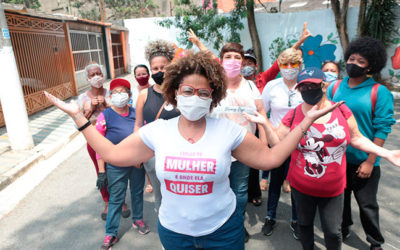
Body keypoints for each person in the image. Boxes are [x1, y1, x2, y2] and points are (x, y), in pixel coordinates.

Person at [45, 50, 344, 250]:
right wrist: (79, 118)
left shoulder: (228, 130)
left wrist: (304, 123)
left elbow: (272, 157)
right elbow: (111, 154)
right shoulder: (157, 131)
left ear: (213, 96)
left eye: (204, 92)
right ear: (175, 92)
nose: (195, 97)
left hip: (224, 232)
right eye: (188, 91)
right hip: (174, 233)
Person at [246, 67, 400, 250]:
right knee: (304, 226)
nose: (308, 90)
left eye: (313, 85)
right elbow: (278, 144)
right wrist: (265, 124)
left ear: (324, 85)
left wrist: (386, 153)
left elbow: (357, 138)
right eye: (303, 87)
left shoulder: (342, 110)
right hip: (301, 186)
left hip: (333, 189)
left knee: (333, 232)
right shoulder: (294, 114)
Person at [327, 37, 396, 250]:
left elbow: (382, 128)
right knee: (341, 200)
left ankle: (375, 242)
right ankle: (344, 227)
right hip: (338, 158)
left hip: (364, 160)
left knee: (367, 205)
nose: (353, 64)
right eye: (352, 58)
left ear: (371, 66)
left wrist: (370, 160)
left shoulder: (379, 92)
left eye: (361, 61)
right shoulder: (335, 87)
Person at [96, 78, 149, 250]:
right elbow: (98, 145)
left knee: (137, 192)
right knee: (116, 198)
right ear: (110, 96)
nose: (119, 95)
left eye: (123, 91)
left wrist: (141, 160)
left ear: (130, 94)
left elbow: (145, 138)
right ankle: (110, 233)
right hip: (115, 165)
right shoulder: (105, 116)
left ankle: (138, 220)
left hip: (135, 163)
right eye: (115, 92)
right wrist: (102, 171)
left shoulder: (136, 113)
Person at [77, 62, 130, 220]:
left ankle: (121, 201)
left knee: (118, 170)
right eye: (92, 75)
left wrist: (106, 105)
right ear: (87, 78)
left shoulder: (112, 94)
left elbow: (121, 114)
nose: (96, 77)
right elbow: (78, 124)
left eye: (98, 73)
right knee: (101, 171)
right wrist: (91, 109)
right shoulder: (82, 98)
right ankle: (107, 201)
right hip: (94, 140)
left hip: (114, 139)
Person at [260, 47, 304, 239]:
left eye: (293, 64)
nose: (289, 68)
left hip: (301, 144)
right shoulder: (272, 86)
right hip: (276, 142)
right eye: (284, 64)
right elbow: (263, 113)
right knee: (275, 181)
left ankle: (296, 220)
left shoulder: (306, 85)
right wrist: (267, 139)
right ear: (279, 65)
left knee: (296, 183)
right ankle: (270, 217)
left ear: (300, 65)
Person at [134, 39, 180, 213]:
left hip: (178, 153)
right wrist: (137, 154)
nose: (160, 71)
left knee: (179, 194)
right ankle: (165, 229)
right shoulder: (144, 95)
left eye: (164, 67)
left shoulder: (181, 92)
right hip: (152, 155)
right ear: (150, 70)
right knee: (160, 196)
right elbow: (138, 126)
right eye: (155, 68)